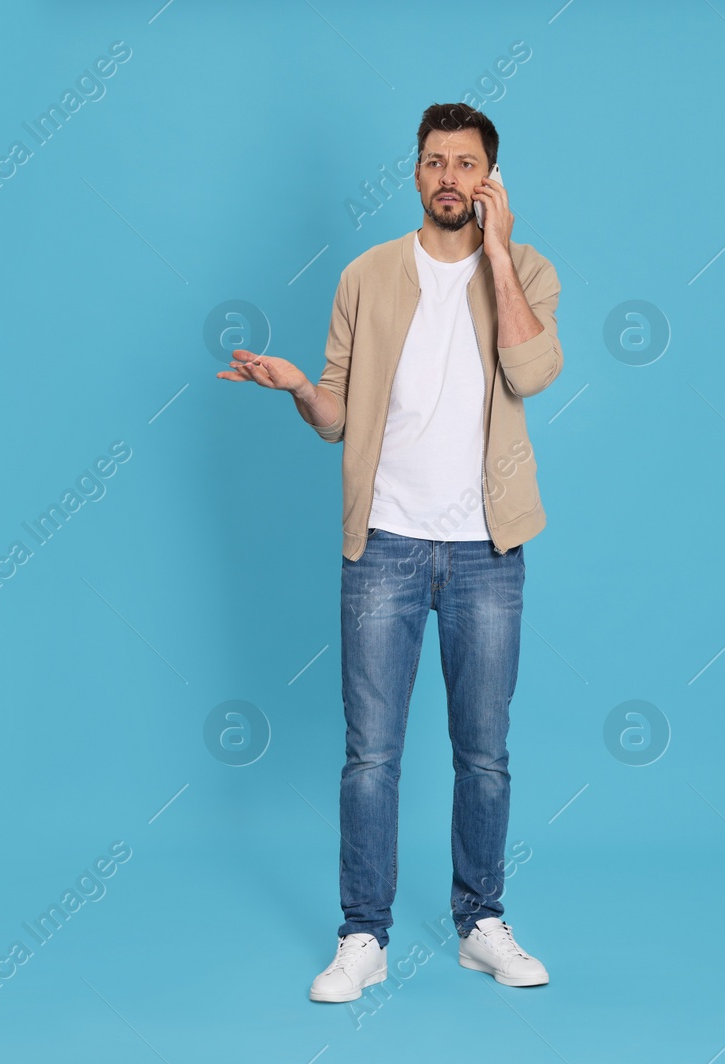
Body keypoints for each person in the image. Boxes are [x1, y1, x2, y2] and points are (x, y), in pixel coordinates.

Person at [217, 102, 563, 1003]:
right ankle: (362, 933)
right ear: (414, 173)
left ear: (490, 180)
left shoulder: (525, 271)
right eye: (434, 160)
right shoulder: (366, 276)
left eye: (467, 164)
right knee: (372, 753)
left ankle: (480, 922)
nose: (449, 176)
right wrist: (298, 386)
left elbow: (532, 371)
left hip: (488, 546)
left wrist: (498, 249)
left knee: (483, 750)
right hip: (386, 546)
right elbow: (337, 416)